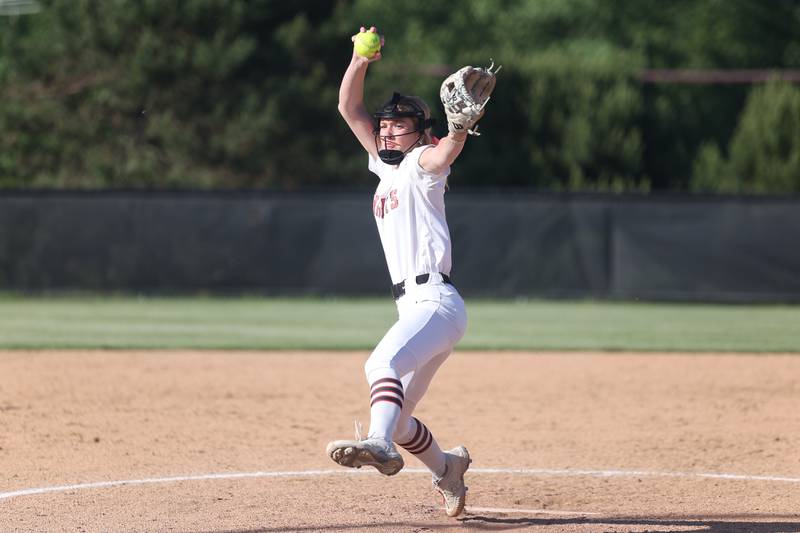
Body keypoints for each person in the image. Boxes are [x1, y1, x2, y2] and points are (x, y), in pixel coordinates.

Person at [325, 26, 479, 518]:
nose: (389, 130)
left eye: (400, 125)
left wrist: (457, 129)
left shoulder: (420, 163)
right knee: (403, 413)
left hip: (436, 300)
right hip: (414, 307)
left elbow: (445, 153)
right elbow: (350, 107)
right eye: (386, 124)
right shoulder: (383, 166)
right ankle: (447, 469)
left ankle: (377, 444)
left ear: (421, 132)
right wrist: (358, 59)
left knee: (378, 367)